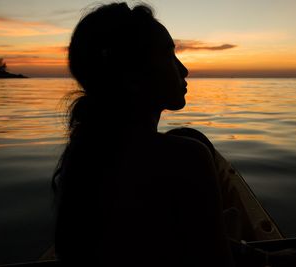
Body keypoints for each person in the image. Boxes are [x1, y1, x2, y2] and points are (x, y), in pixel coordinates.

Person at [52, 2, 235, 266]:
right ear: (132, 76)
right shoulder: (185, 159)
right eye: (169, 55)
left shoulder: (82, 154)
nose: (184, 70)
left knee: (189, 135)